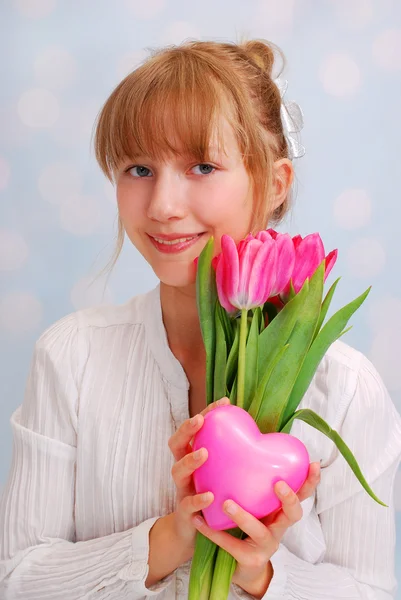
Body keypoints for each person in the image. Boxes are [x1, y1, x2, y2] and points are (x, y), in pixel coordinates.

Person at [1, 38, 400, 600]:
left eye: (202, 166)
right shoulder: (72, 357)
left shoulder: (346, 390)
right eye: (138, 168)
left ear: (275, 183)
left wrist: (260, 572)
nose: (163, 204)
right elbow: (17, 579)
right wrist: (172, 537)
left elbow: (373, 591)